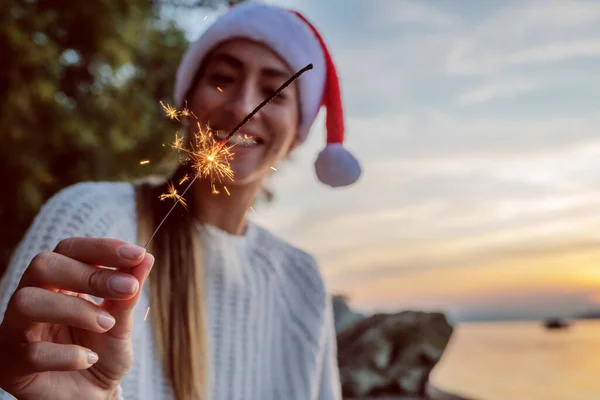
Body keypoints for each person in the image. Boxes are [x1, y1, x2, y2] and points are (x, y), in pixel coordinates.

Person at [0, 3, 361, 400]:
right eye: (222, 78)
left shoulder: (302, 281)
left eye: (274, 93)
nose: (242, 107)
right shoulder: (91, 218)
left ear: (297, 134)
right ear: (186, 101)